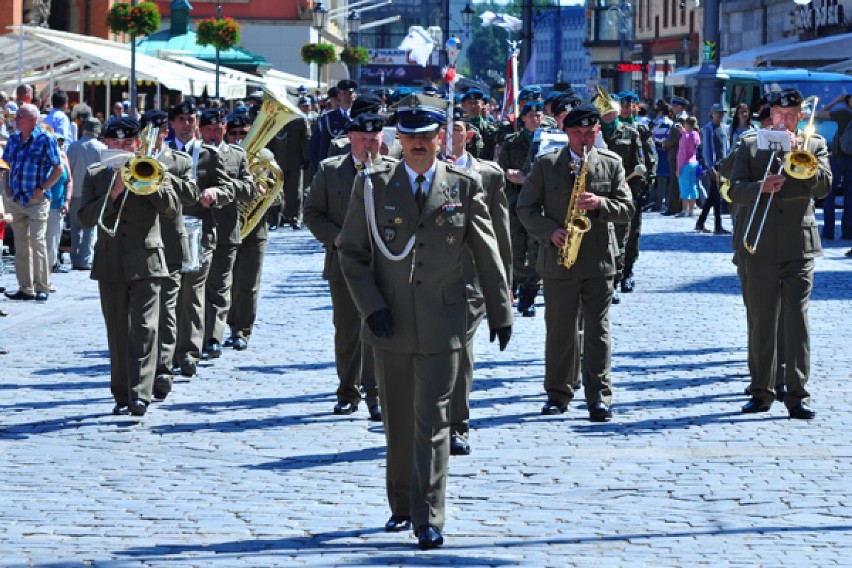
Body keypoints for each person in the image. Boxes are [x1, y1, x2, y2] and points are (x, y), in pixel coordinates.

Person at [337, 94, 513, 550]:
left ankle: (429, 516)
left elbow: (486, 249)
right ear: (399, 139)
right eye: (409, 135)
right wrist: (370, 306)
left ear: (440, 138)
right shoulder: (374, 184)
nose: (417, 143)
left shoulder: (462, 183)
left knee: (433, 421)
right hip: (389, 320)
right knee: (397, 421)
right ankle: (401, 504)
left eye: (426, 135)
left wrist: (500, 311)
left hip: (444, 320)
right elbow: (351, 253)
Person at [516, 103, 634, 421]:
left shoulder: (611, 163)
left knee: (598, 331)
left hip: (598, 260)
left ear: (598, 131)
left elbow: (627, 208)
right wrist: (549, 231)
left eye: (589, 132)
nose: (583, 138)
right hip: (558, 259)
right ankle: (558, 393)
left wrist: (600, 203)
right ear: (566, 132)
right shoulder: (546, 163)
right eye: (576, 132)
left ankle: (599, 397)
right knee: (559, 330)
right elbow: (525, 208)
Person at [729, 89, 831, 420]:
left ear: (801, 116)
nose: (785, 120)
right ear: (770, 115)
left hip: (798, 247)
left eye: (792, 115)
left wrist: (807, 161)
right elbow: (733, 190)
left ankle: (797, 393)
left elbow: (825, 187)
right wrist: (761, 185)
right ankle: (761, 390)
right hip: (758, 247)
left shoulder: (814, 145)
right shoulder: (749, 144)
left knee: (796, 321)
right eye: (779, 114)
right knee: (761, 320)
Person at [76, 117, 180, 416]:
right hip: (110, 262)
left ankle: (140, 394)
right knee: (118, 331)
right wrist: (114, 192)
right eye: (116, 142)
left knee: (145, 329)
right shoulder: (96, 174)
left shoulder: (153, 168)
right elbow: (84, 218)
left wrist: (150, 183)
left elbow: (173, 208)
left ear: (137, 144)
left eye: (127, 142)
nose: (121, 147)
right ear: (106, 143)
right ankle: (122, 392)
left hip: (147, 260)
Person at [304, 109, 392, 421]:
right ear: (351, 138)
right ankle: (347, 391)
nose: (368, 145)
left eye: (374, 139)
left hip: (383, 267)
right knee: (347, 331)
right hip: (343, 265)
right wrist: (336, 238)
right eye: (363, 138)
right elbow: (312, 213)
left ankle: (376, 395)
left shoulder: (393, 171)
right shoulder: (331, 171)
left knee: (378, 329)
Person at [441, 108, 511, 457]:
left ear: (467, 135)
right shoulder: (416, 173)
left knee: (461, 354)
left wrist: (503, 289)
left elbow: (499, 237)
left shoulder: (488, 174)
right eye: (442, 131)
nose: (447, 137)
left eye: (455, 131)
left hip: (471, 281)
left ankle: (456, 426)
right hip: (425, 280)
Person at [167, 100, 231, 378]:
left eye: (190, 119)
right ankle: (166, 352)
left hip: (199, 232)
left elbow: (229, 187)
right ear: (172, 124)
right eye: (180, 119)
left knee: (193, 293)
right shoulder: (162, 156)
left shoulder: (208, 154)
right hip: (167, 232)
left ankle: (189, 353)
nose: (185, 124)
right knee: (169, 295)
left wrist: (216, 194)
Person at [139, 109, 198, 401]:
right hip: (141, 244)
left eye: (158, 130)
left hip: (171, 243)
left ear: (165, 132)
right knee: (142, 314)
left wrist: (164, 177)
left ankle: (162, 370)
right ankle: (143, 370)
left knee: (167, 309)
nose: (153, 135)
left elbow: (191, 195)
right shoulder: (131, 161)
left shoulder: (181, 161)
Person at [199, 109, 257, 361]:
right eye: (208, 129)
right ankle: (194, 336)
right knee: (196, 287)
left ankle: (213, 337)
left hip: (226, 228)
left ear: (224, 127)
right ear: (201, 130)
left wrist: (225, 187)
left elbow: (249, 188)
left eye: (218, 128)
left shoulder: (237, 154)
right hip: (198, 229)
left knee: (221, 287)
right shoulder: (194, 154)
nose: (213, 133)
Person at [2, 103, 64, 302]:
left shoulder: (46, 139)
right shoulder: (13, 139)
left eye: (21, 116)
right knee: (21, 245)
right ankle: (25, 288)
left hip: (36, 200)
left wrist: (43, 189)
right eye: (16, 115)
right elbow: (4, 165)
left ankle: (42, 287)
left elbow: (59, 169)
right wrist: (6, 186)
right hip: (17, 199)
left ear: (33, 120)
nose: (16, 118)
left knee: (38, 242)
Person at [224, 114, 270, 351]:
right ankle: (227, 324)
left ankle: (242, 330)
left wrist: (264, 191)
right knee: (225, 281)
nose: (239, 138)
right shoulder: (220, 156)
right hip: (226, 227)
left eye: (244, 133)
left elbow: (278, 194)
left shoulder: (265, 158)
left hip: (255, 229)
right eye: (234, 134)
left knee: (249, 283)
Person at [498, 100, 544, 316]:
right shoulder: (511, 142)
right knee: (516, 250)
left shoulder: (550, 141)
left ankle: (529, 294)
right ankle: (517, 279)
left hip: (540, 204)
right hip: (516, 202)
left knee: (537, 251)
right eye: (531, 115)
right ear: (523, 119)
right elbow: (503, 172)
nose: (535, 119)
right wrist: (511, 179)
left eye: (539, 115)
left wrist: (527, 179)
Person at [598, 92, 642, 299]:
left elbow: (641, 164)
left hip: (623, 194)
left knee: (620, 239)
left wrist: (639, 192)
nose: (607, 114)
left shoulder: (630, 133)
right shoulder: (593, 133)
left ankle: (616, 280)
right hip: (596, 194)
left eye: (610, 110)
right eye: (603, 111)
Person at [65, 117, 105, 270]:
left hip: (75, 192)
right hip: (93, 194)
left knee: (75, 226)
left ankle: (75, 259)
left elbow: (68, 170)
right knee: (90, 227)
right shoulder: (101, 147)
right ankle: (85, 260)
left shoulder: (73, 146)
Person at [266, 97, 311, 231]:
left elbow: (306, 139)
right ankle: (275, 219)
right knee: (275, 192)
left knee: (295, 192)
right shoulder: (274, 120)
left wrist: (306, 158)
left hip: (295, 161)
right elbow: (269, 141)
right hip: (277, 161)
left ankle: (295, 218)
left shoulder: (299, 120)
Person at [816, 93, 852, 240]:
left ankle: (828, 231)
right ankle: (848, 232)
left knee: (829, 196)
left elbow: (820, 114)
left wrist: (836, 100)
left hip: (838, 159)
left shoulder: (843, 113)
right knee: (850, 198)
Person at [695, 104, 731, 234]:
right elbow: (707, 150)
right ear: (712, 114)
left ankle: (700, 222)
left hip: (723, 165)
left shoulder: (725, 128)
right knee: (717, 196)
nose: (720, 115)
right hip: (714, 166)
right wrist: (710, 167)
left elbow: (726, 147)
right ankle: (717, 225)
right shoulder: (708, 129)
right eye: (718, 113)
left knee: (713, 196)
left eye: (722, 113)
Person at [308, 80, 357, 174]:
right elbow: (315, 147)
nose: (347, 97)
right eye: (343, 93)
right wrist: (318, 172)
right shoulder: (327, 119)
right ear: (338, 96)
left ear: (354, 96)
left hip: (356, 169)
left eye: (350, 93)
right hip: (334, 169)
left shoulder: (360, 117)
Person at [45, 133, 72, 277]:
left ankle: (46, 279)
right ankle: (36, 279)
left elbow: (69, 181)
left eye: (62, 144)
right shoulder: (44, 158)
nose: (60, 147)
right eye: (57, 143)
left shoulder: (64, 158)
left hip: (57, 206)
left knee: (52, 244)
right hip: (40, 204)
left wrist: (67, 201)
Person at [663, 96, 689, 215]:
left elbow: (680, 137)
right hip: (676, 153)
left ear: (680, 107)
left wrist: (666, 143)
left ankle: (674, 207)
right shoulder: (679, 118)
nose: (672, 108)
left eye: (674, 106)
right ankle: (676, 206)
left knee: (675, 181)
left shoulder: (681, 119)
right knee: (676, 181)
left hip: (677, 153)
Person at [676, 116, 701, 217]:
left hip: (685, 164)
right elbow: (690, 137)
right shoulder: (695, 134)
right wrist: (683, 131)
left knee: (684, 187)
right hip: (694, 163)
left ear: (687, 125)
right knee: (693, 186)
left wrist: (678, 168)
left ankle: (684, 210)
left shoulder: (685, 138)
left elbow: (682, 155)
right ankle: (691, 210)